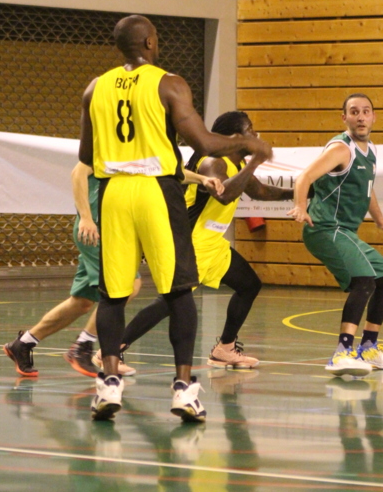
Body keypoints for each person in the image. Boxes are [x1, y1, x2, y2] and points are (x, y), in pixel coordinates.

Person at [79, 14, 272, 421]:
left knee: (112, 295)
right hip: (156, 191)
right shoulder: (169, 83)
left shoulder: (95, 88)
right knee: (179, 291)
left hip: (113, 194)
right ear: (150, 42)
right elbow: (204, 141)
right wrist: (248, 143)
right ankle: (184, 390)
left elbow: (86, 155)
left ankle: (109, 383)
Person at [3, 161, 221, 379]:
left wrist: (202, 179)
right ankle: (83, 347)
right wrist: (86, 217)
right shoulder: (106, 147)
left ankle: (23, 344)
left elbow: (167, 169)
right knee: (128, 284)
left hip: (116, 229)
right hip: (96, 230)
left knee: (82, 302)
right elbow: (78, 173)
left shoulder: (143, 151)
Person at [117, 110, 293, 369]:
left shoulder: (235, 165)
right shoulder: (213, 162)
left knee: (249, 285)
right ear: (235, 137)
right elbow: (224, 195)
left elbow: (260, 191)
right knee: (170, 303)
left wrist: (304, 191)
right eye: (250, 130)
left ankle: (225, 349)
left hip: (212, 244)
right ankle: (113, 350)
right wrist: (256, 161)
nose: (256, 135)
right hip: (192, 242)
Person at [288, 93, 383, 377]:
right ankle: (342, 353)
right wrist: (300, 206)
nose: (361, 117)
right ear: (345, 118)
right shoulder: (341, 148)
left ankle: (369, 347)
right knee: (363, 281)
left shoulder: (370, 150)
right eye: (354, 112)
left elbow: (368, 189)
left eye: (366, 111)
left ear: (374, 116)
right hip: (325, 228)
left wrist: (380, 221)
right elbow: (304, 177)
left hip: (345, 231)